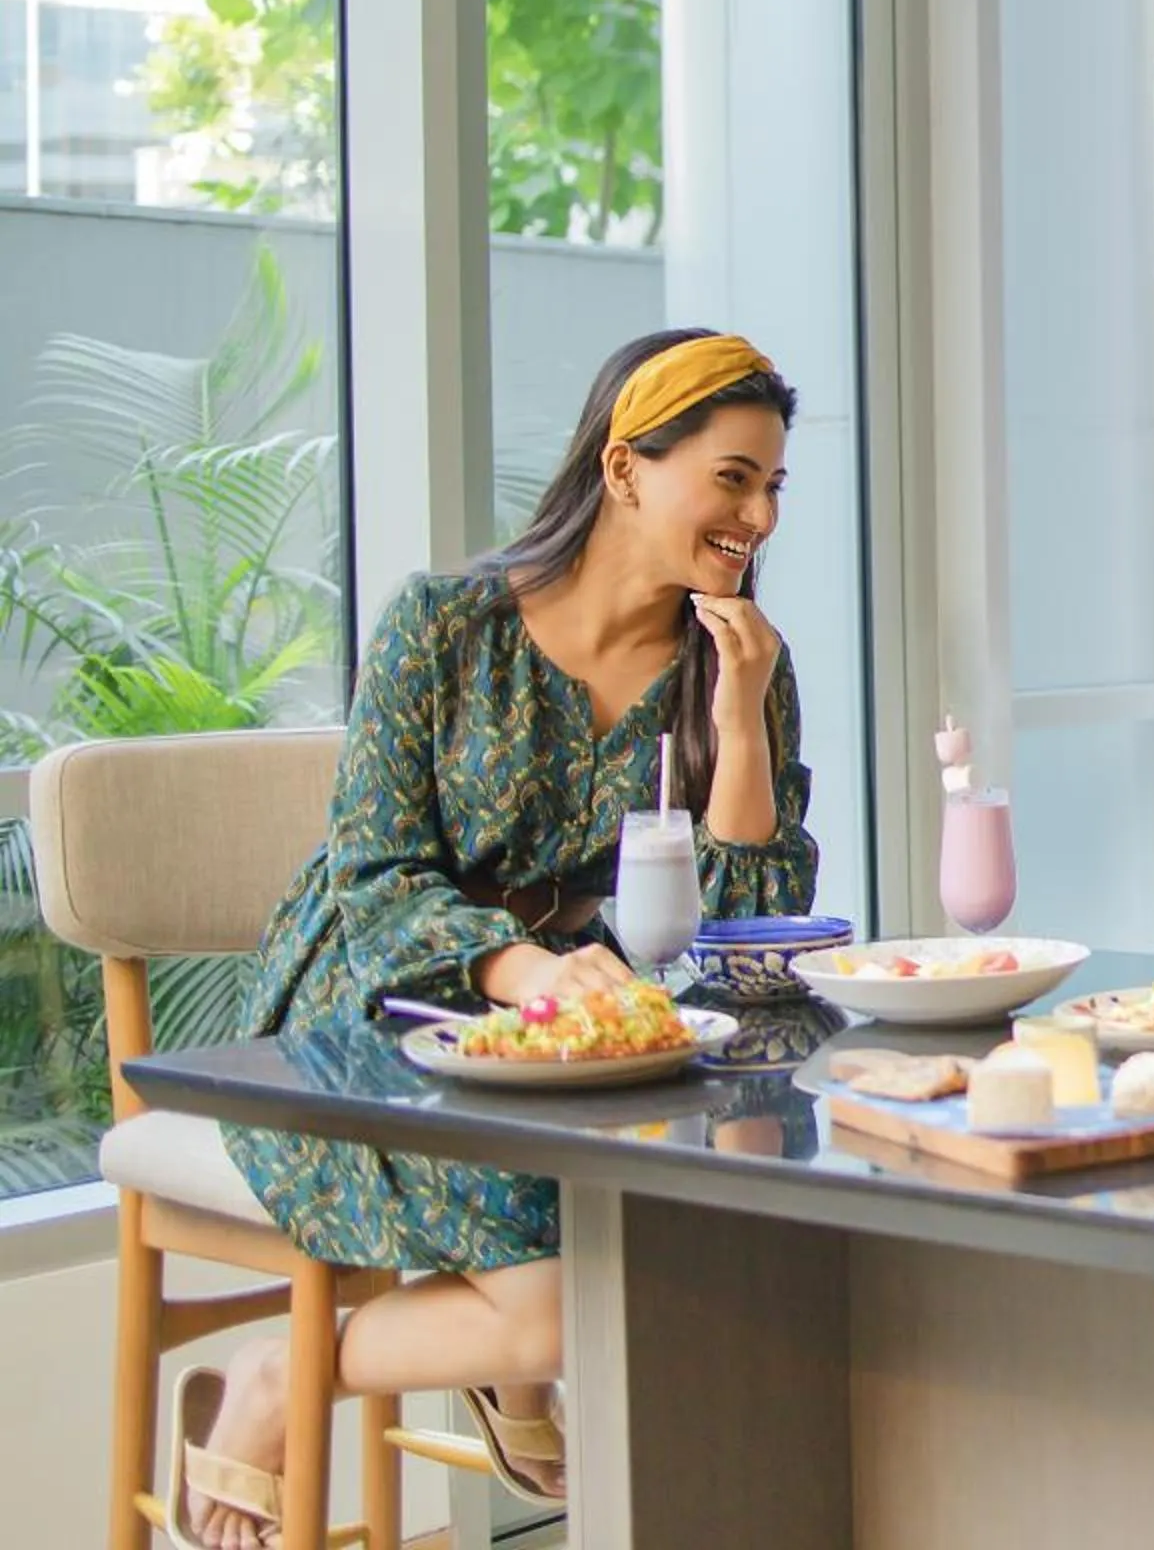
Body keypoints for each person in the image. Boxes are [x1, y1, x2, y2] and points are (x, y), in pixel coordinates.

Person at [175, 329, 818, 1549]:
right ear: (625, 469)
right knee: (579, 1295)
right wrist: (529, 975)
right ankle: (278, 1377)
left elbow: (751, 935)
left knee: (693, 1243)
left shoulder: (736, 660)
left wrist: (740, 720)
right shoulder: (444, 626)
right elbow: (375, 875)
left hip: (573, 1035)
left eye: (774, 484)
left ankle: (500, 1379)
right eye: (733, 478)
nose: (760, 517)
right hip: (364, 1007)